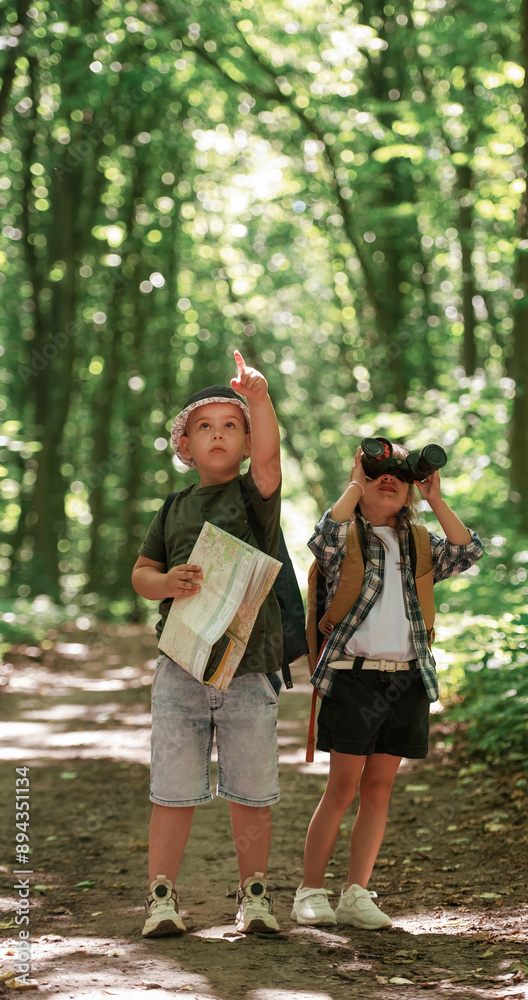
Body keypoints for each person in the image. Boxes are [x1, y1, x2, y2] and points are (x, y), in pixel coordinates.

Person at [291, 442, 483, 930]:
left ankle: (356, 891)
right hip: (355, 678)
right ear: (360, 478)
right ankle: (309, 890)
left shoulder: (418, 541)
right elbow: (324, 536)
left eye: (401, 471)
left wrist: (436, 499)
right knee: (341, 789)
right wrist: (356, 481)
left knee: (378, 789)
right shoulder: (347, 538)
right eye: (379, 470)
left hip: (406, 680)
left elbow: (467, 551)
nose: (390, 476)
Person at [132, 350, 283, 938]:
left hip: (249, 670)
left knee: (251, 792)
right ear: (185, 446)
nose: (217, 434)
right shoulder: (172, 509)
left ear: (246, 444)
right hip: (181, 666)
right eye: (204, 426)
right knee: (172, 790)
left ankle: (255, 897)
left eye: (231, 425)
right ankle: (162, 898)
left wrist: (261, 401)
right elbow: (142, 573)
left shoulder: (256, 497)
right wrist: (164, 583)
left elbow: (272, 459)